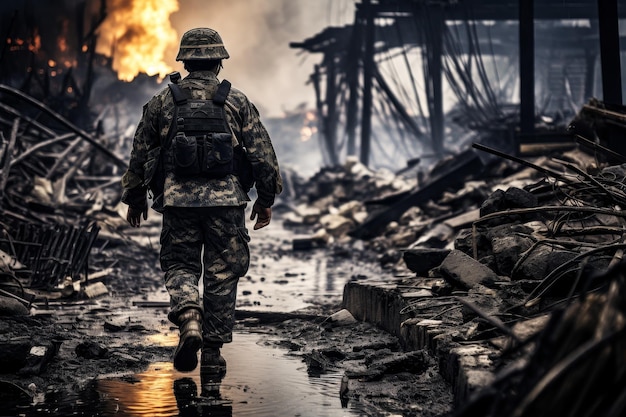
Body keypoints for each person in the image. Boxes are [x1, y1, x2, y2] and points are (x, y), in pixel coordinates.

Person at [120, 27, 282, 376]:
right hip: (227, 204)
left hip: (178, 203)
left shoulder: (163, 101)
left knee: (180, 266)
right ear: (219, 62)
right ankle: (212, 352)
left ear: (186, 61)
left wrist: (135, 199)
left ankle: (190, 317)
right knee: (222, 274)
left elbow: (140, 155)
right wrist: (265, 199)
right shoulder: (236, 101)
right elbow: (263, 157)